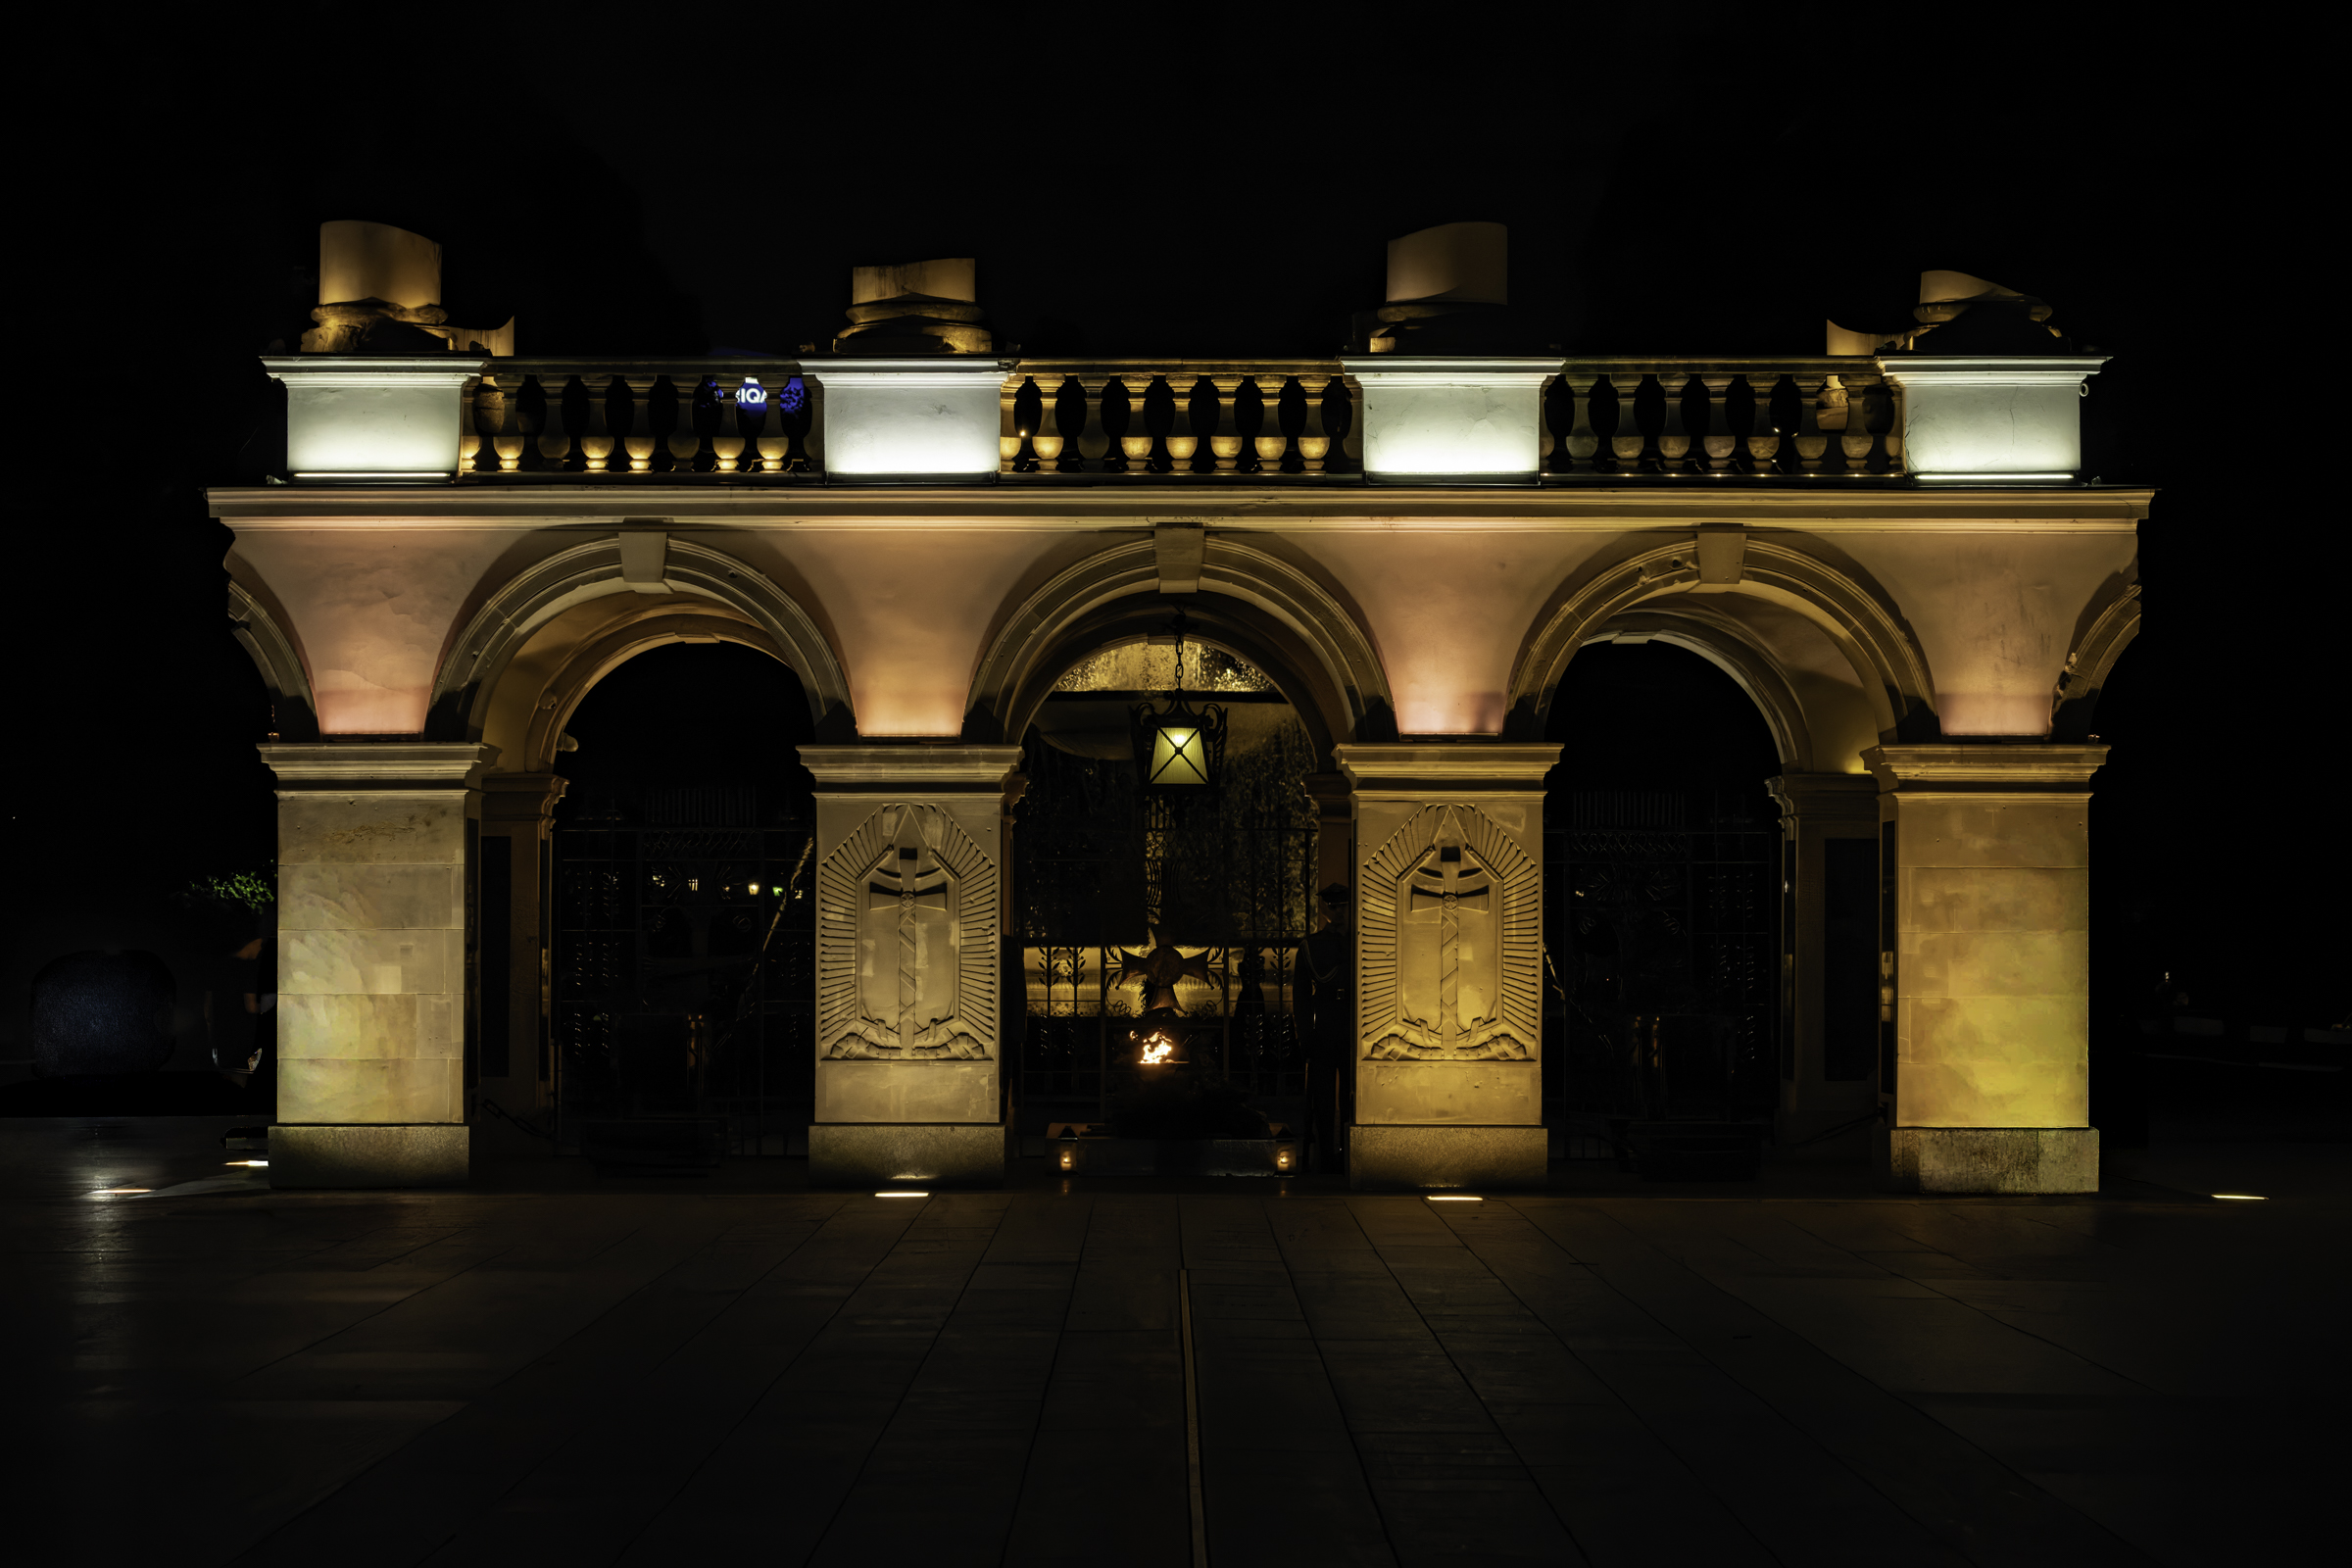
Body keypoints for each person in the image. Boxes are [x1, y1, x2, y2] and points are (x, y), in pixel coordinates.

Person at [1299, 882, 1351, 1172]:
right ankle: (1327, 1157)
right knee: (1323, 1098)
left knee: (1351, 1097)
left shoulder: (1359, 942)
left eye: (1343, 906)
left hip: (1351, 1024)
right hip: (1326, 1024)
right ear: (1324, 910)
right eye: (1333, 907)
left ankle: (1348, 1154)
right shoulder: (1312, 946)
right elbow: (1302, 998)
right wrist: (1306, 1037)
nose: (1339, 912)